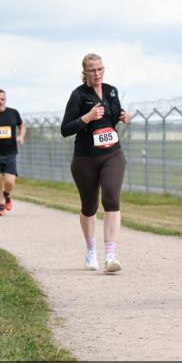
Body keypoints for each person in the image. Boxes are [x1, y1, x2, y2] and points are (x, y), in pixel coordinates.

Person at [60, 54, 131, 272]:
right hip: (85, 159)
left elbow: (113, 114)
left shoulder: (111, 90)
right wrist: (87, 117)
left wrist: (122, 115)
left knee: (111, 198)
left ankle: (110, 256)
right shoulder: (78, 95)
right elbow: (65, 129)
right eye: (92, 70)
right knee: (89, 207)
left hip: (112, 154)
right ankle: (91, 250)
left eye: (100, 69)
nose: (97, 73)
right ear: (85, 72)